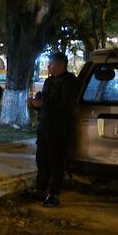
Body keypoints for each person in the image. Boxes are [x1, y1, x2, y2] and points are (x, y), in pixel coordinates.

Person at [28, 52, 78, 207]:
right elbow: (45, 100)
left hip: (59, 127)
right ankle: (40, 188)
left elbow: (66, 105)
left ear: (61, 65)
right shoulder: (49, 81)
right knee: (41, 158)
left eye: (51, 63)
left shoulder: (69, 81)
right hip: (45, 125)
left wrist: (43, 105)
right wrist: (35, 104)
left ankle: (54, 193)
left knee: (55, 160)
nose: (48, 66)